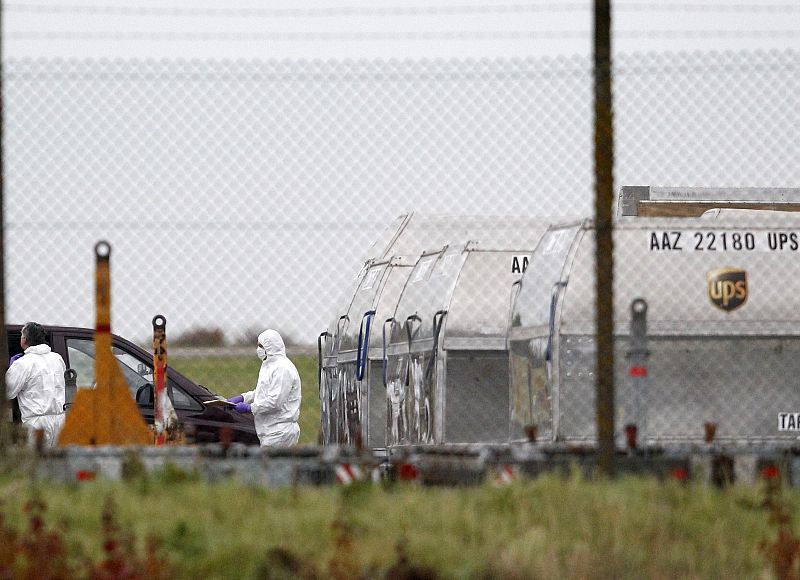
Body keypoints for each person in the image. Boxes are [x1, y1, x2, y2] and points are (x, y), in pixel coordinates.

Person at [228, 329, 301, 446]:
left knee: (271, 464)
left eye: (261, 346)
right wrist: (243, 397)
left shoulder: (282, 369)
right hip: (271, 432)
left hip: (279, 432)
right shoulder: (269, 365)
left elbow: (275, 401)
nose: (258, 350)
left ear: (270, 347)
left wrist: (250, 408)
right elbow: (264, 392)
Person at [6, 322, 67, 446]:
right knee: (56, 463)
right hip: (60, 422)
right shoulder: (57, 358)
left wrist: (11, 370)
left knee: (36, 462)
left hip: (37, 424)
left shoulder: (23, 363)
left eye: (22, 336)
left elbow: (7, 392)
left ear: (25, 340)